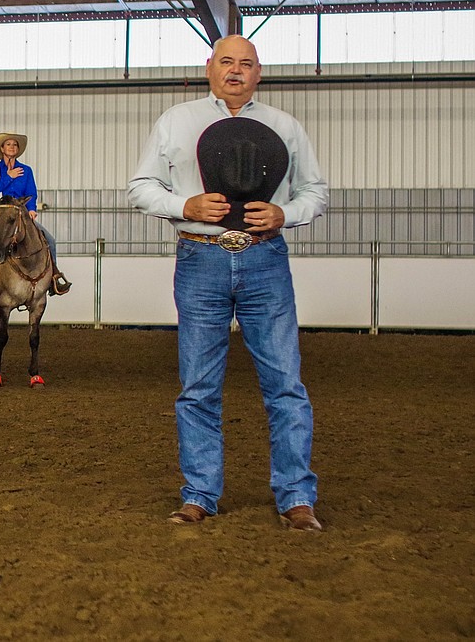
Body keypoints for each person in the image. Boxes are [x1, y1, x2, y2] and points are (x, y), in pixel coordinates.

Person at [128, 34, 329, 532]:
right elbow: (141, 186)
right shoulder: (176, 120)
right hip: (201, 257)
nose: (235, 70)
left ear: (258, 73)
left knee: (285, 383)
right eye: (226, 62)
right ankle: (199, 494)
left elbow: (315, 193)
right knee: (198, 385)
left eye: (246, 63)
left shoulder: (285, 126)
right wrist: (185, 206)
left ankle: (296, 497)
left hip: (265, 258)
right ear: (209, 68)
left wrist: (286, 213)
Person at [0, 132, 71, 297]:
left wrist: (32, 209)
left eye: (14, 145)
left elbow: (31, 192)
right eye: (8, 144)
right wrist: (8, 177)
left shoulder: (26, 170)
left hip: (20, 214)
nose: (12, 147)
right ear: (1, 149)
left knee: (49, 239)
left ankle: (54, 276)